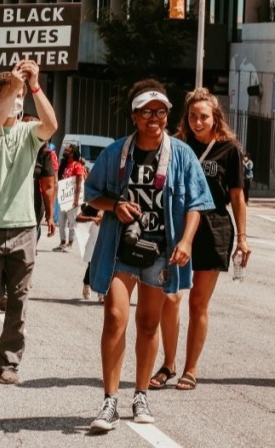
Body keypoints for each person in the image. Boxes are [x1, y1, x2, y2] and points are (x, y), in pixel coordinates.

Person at [85, 80, 213, 432]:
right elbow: (91, 192)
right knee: (114, 317)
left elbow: (196, 204)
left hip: (161, 251)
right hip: (120, 249)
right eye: (146, 112)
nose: (154, 118)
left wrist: (185, 241)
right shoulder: (116, 154)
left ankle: (140, 393)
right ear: (134, 116)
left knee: (148, 324)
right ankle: (110, 400)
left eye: (160, 111)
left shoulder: (182, 155)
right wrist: (115, 205)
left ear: (168, 115)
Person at [150, 88, 251, 392]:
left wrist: (243, 239)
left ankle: (190, 369)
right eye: (193, 116)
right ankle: (168, 364)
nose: (197, 122)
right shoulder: (178, 145)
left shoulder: (229, 149)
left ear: (215, 117)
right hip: (180, 227)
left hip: (215, 228)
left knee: (198, 304)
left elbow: (237, 196)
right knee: (171, 297)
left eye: (203, 116)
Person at [0, 60, 57, 385]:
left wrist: (33, 85)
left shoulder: (28, 132)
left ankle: (8, 362)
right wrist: (13, 87)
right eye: (12, 95)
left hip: (24, 228)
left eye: (21, 97)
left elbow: (51, 124)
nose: (18, 101)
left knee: (18, 302)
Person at [53, 144, 85, 252]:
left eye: (68, 151)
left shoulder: (77, 166)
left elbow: (79, 183)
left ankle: (70, 243)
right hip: (63, 199)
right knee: (61, 222)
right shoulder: (65, 165)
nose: (65, 152)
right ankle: (62, 242)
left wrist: (76, 199)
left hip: (72, 199)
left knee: (72, 222)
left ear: (72, 153)